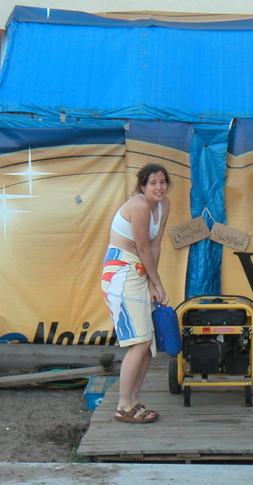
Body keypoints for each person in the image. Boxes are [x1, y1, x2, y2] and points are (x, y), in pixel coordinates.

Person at [101, 163, 172, 423]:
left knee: (147, 345)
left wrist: (154, 283)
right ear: (142, 186)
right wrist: (158, 283)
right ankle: (123, 406)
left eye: (162, 182)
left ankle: (132, 401)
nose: (159, 187)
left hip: (140, 272)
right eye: (153, 183)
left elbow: (155, 245)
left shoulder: (164, 206)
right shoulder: (140, 206)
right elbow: (142, 248)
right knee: (139, 343)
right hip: (122, 272)